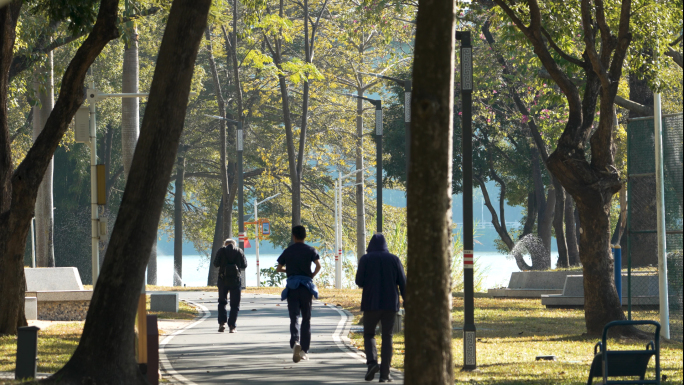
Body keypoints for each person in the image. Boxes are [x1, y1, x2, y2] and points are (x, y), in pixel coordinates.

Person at [355, 232, 406, 383]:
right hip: (390, 304)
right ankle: (385, 374)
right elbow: (403, 283)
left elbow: (359, 281)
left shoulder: (366, 259)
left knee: (369, 334)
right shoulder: (394, 259)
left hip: (371, 303)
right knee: (387, 336)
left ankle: (371, 363)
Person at [276, 225, 321, 363]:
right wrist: (310, 275)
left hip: (293, 287)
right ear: (304, 236)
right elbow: (318, 266)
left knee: (294, 317)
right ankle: (304, 350)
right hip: (306, 287)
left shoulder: (288, 251)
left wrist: (289, 271)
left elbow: (279, 268)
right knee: (306, 318)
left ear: (294, 236)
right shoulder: (310, 250)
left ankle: (295, 341)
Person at [213, 238, 247, 333]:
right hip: (235, 281)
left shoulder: (221, 251)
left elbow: (215, 264)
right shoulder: (239, 251)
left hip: (223, 279)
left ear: (225, 244)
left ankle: (222, 323)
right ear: (234, 244)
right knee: (235, 304)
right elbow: (244, 265)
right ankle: (232, 326)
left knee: (222, 302)